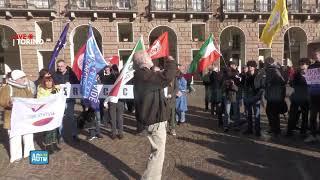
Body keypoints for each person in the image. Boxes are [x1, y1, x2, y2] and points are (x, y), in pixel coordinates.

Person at [133, 51, 176, 180]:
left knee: (156, 153)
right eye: (147, 56)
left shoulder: (143, 74)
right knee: (158, 154)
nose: (150, 57)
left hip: (152, 119)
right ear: (143, 60)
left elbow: (164, 77)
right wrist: (170, 61)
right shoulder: (145, 76)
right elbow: (167, 76)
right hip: (154, 121)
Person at [0, 70, 34, 163]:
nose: (24, 79)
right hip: (12, 118)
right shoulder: (7, 88)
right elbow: (2, 101)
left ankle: (29, 152)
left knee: (28, 134)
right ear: (17, 79)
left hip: (25, 117)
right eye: (22, 78)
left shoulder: (24, 87)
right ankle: (16, 156)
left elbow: (31, 98)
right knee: (15, 137)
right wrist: (10, 103)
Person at [52, 59, 80, 142]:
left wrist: (71, 84)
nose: (60, 68)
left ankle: (74, 134)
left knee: (71, 117)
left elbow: (77, 84)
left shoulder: (71, 74)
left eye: (61, 66)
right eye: (58, 66)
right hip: (60, 100)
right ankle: (60, 135)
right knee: (60, 117)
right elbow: (52, 86)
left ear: (65, 66)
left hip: (69, 99)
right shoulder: (55, 75)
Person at [37, 73, 61, 153]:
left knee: (54, 129)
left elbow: (61, 91)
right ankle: (47, 145)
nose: (48, 83)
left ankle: (54, 144)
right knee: (48, 130)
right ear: (44, 82)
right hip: (46, 113)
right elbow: (41, 100)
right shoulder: (41, 90)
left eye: (50, 81)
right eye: (46, 81)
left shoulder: (56, 88)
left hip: (54, 112)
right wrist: (51, 94)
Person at [287, 58, 310, 137]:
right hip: (296, 97)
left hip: (306, 98)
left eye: (303, 64)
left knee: (305, 115)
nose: (301, 66)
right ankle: (290, 130)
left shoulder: (311, 74)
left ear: (307, 65)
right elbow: (291, 84)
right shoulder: (296, 74)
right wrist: (292, 81)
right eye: (300, 64)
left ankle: (303, 131)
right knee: (293, 114)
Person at [264, 57, 286, 136]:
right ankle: (274, 128)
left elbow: (280, 81)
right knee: (272, 112)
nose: (264, 64)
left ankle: (276, 129)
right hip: (275, 95)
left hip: (274, 95)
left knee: (272, 112)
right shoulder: (277, 69)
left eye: (265, 62)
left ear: (268, 63)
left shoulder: (272, 70)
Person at [105, 64, 125, 140]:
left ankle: (113, 133)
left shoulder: (109, 77)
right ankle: (120, 133)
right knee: (120, 117)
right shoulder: (122, 78)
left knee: (113, 117)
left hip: (112, 100)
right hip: (120, 100)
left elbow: (105, 86)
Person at [304, 49, 320, 142]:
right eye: (315, 55)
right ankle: (313, 134)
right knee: (313, 117)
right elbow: (308, 80)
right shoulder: (311, 67)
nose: (316, 56)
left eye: (317, 54)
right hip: (313, 95)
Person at [243, 61, 261, 137]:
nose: (249, 67)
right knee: (248, 115)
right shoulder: (246, 75)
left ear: (254, 67)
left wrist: (258, 96)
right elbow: (244, 86)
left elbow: (261, 87)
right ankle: (249, 129)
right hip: (248, 97)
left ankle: (257, 130)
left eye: (251, 66)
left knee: (256, 115)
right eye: (249, 66)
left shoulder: (258, 76)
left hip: (256, 97)